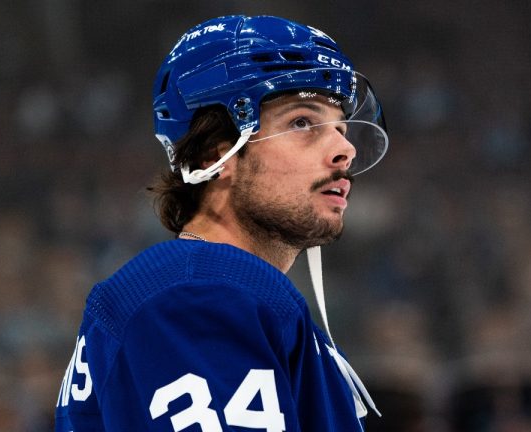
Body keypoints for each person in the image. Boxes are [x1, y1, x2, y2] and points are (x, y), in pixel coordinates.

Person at [55, 14, 389, 431]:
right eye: (303, 122)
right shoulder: (199, 296)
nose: (345, 150)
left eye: (341, 128)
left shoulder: (218, 294)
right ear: (214, 157)